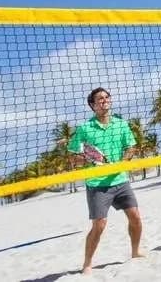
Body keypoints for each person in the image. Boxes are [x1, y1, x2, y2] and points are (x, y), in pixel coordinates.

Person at [68, 87, 144, 274]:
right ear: (93, 105)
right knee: (99, 225)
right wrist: (88, 159)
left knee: (135, 217)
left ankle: (135, 252)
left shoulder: (121, 124)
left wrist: (123, 162)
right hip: (97, 184)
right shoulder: (84, 129)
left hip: (120, 180)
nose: (104, 100)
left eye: (106, 97)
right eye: (99, 99)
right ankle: (87, 263)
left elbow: (131, 147)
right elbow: (72, 157)